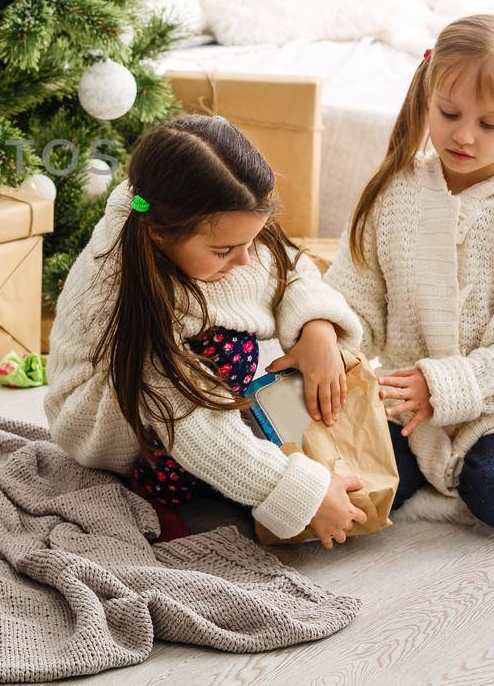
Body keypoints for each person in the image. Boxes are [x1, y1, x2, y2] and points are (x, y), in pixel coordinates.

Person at [45, 114, 367, 548]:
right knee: (228, 348)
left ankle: (224, 469)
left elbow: (287, 265)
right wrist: (304, 495)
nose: (246, 261)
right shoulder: (127, 287)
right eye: (225, 251)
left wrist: (318, 329)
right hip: (102, 411)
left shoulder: (217, 215)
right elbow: (190, 419)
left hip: (177, 395)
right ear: (161, 236)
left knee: (247, 367)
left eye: (250, 241)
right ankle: (160, 493)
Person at [328, 14, 494, 528]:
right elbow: (353, 297)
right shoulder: (393, 192)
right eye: (448, 113)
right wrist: (327, 343)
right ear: (428, 94)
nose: (463, 135)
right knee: (356, 482)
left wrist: (441, 385)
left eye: (490, 124)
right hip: (406, 405)